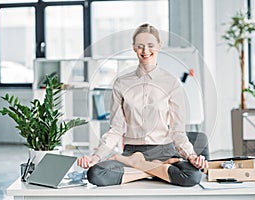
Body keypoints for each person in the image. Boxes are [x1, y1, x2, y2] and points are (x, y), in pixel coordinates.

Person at [77, 23, 208, 187]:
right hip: (132, 151)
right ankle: (158, 171)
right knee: (95, 174)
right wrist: (95, 157)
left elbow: (177, 131)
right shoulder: (121, 83)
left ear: (159, 46)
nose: (145, 51)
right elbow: (116, 129)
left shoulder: (172, 83)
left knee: (193, 176)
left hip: (165, 151)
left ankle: (139, 168)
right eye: (140, 46)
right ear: (134, 48)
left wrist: (191, 155)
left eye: (150, 45)